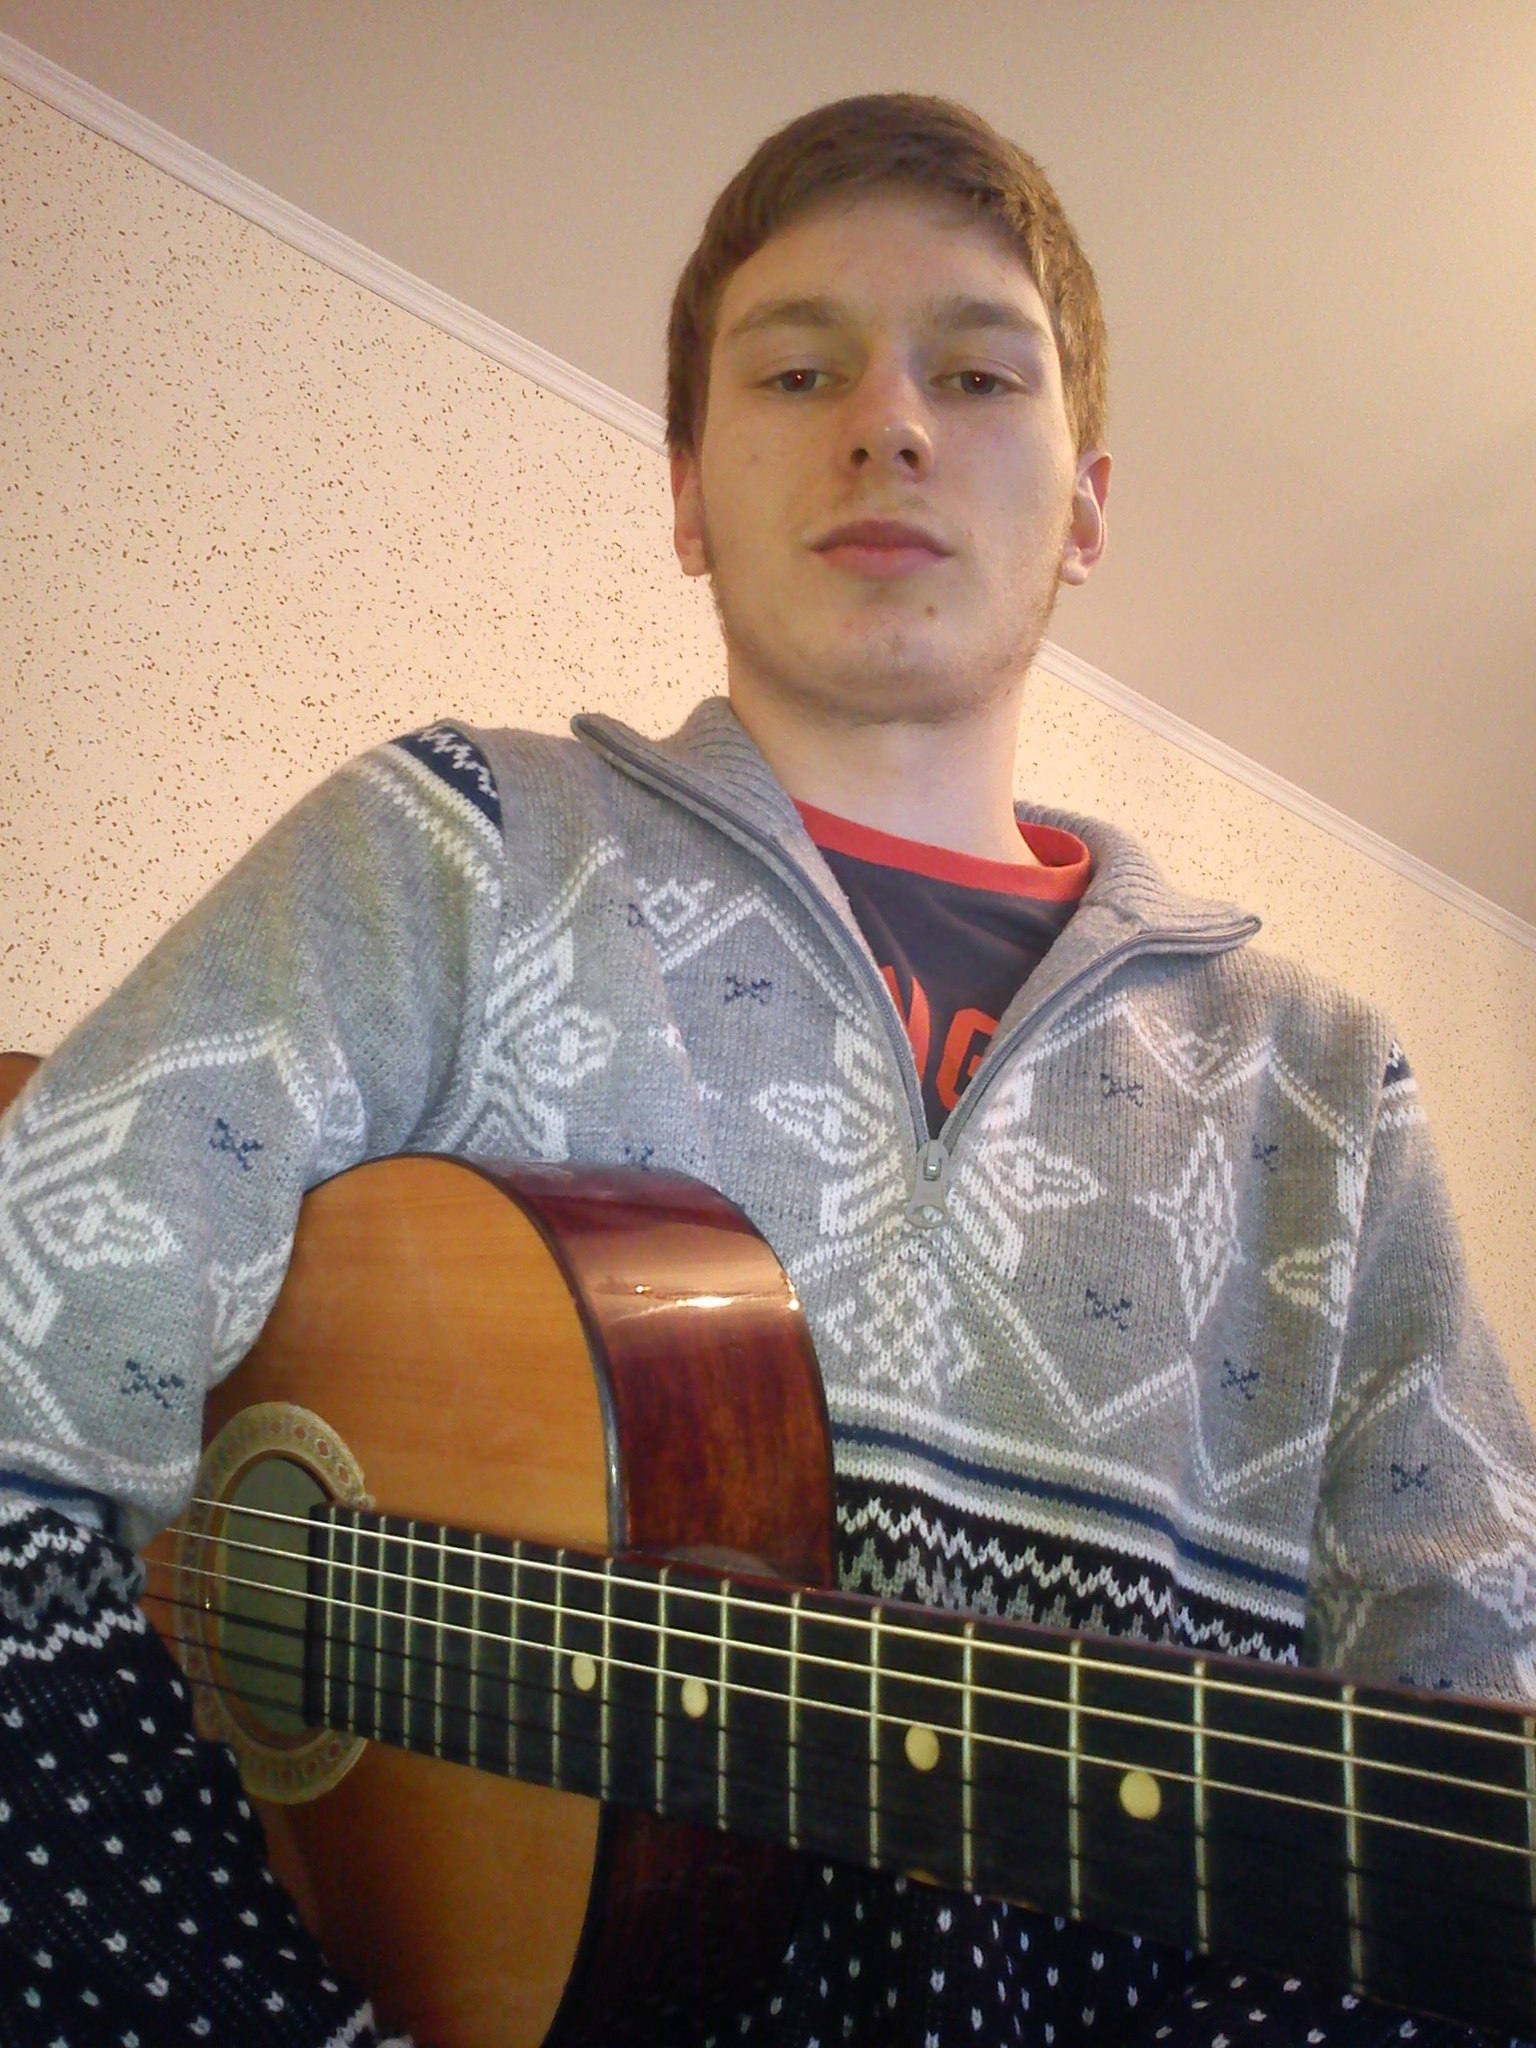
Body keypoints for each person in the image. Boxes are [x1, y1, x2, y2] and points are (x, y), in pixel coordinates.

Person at [1, 91, 1531, 2048]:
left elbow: (1471, 1746)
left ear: (1087, 509)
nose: (888, 422)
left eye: (977, 373)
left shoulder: (1327, 1090)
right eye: (798, 370)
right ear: (683, 493)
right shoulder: (449, 848)